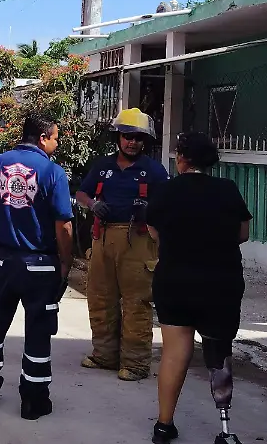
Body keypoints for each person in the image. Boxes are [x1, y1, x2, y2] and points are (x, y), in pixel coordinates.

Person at [146, 132, 251, 444]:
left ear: (181, 158)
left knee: (174, 352)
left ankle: (164, 425)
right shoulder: (227, 189)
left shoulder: (166, 191)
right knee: (218, 353)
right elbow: (242, 234)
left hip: (175, 281)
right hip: (220, 283)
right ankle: (226, 430)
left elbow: (154, 233)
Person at [0, 116, 74, 420]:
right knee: (39, 332)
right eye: (55, 138)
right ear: (42, 138)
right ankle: (33, 400)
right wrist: (65, 261)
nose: (57, 143)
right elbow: (64, 225)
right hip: (40, 266)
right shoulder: (53, 172)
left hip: (1, 263)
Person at [75, 107, 170, 381]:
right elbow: (81, 193)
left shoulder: (154, 171)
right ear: (118, 137)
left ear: (145, 141)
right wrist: (93, 204)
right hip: (102, 239)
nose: (132, 142)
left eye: (138, 138)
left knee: (136, 302)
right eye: (127, 136)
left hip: (138, 241)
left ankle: (136, 363)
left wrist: (149, 210)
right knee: (100, 298)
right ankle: (104, 355)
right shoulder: (102, 166)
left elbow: (167, 204)